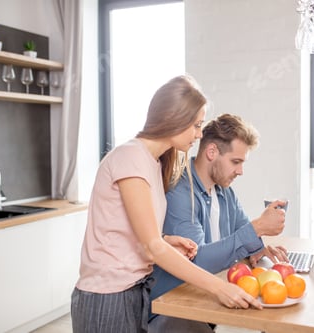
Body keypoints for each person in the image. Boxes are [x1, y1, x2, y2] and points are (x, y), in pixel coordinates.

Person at [71, 76, 262, 333]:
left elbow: (134, 231)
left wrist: (166, 239)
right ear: (174, 118)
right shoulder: (131, 157)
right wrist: (219, 287)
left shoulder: (155, 163)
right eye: (196, 125)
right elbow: (152, 249)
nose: (199, 134)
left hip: (134, 291)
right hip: (108, 297)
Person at [148, 113, 289, 333]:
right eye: (236, 162)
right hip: (175, 311)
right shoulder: (181, 192)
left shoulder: (225, 191)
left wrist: (260, 248)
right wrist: (257, 228)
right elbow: (198, 261)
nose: (240, 171)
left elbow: (244, 234)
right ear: (212, 152)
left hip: (207, 299)